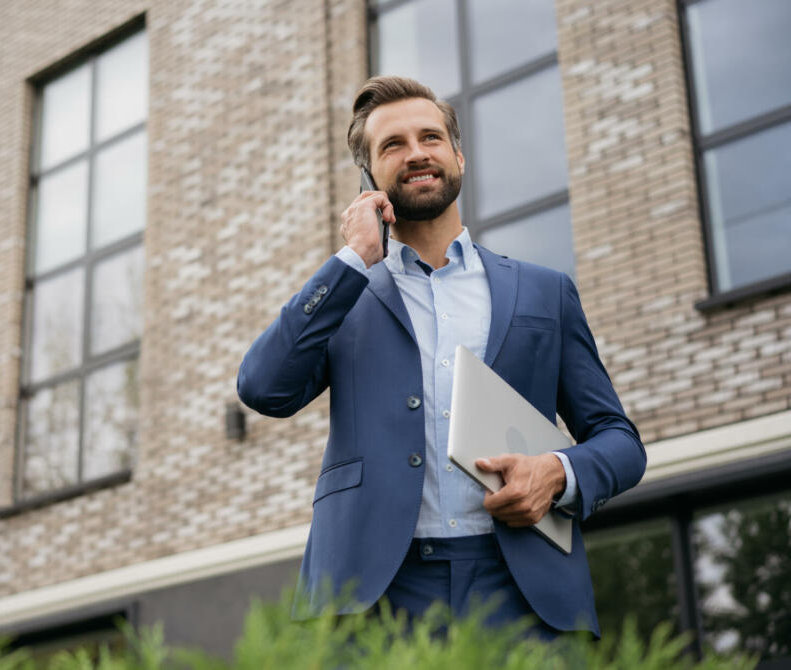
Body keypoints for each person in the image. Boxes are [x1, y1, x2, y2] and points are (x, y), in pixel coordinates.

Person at [237, 76, 645, 638]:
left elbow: (620, 441)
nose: (416, 154)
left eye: (430, 137)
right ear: (370, 177)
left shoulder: (543, 292)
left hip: (524, 591)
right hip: (372, 597)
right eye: (393, 145)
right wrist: (354, 259)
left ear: (457, 155)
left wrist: (556, 472)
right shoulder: (345, 297)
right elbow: (263, 388)